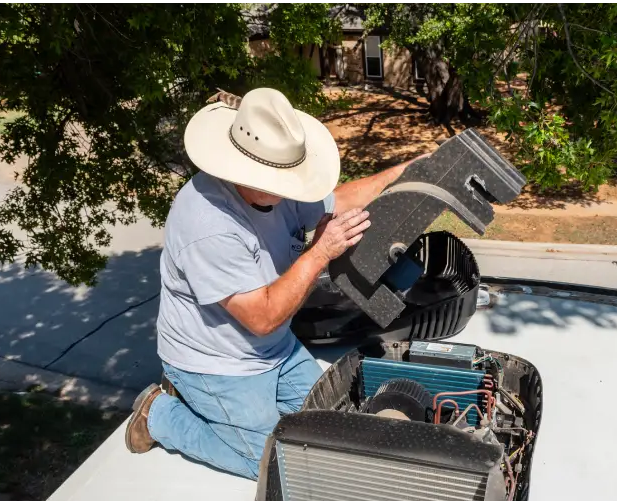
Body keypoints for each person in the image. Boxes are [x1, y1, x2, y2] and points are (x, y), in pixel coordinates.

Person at [125, 87, 427, 480]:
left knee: (335, 423)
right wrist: (320, 252)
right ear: (241, 170)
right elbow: (263, 317)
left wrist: (408, 174)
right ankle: (159, 414)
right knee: (274, 464)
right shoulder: (208, 224)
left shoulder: (273, 186)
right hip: (219, 363)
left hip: (274, 349)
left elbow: (339, 199)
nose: (293, 190)